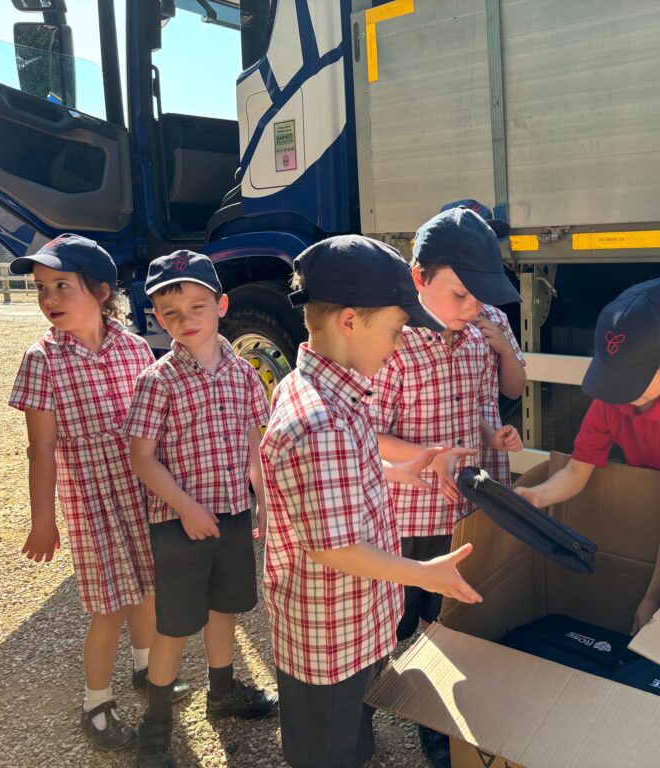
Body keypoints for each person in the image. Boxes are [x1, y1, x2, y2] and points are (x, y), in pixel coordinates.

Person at [260, 235, 483, 768]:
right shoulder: (321, 421)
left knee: (348, 735)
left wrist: (398, 470)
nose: (401, 341)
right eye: (396, 328)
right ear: (351, 321)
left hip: (346, 625)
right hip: (329, 637)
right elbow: (336, 548)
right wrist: (423, 573)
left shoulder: (324, 386)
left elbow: (335, 481)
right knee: (328, 750)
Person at [8, 234, 187, 751]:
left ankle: (146, 667)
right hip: (92, 499)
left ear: (103, 291)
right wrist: (45, 521)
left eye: (62, 285)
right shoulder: (41, 359)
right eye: (42, 288)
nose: (49, 299)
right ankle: (96, 702)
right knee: (108, 604)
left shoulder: (134, 348)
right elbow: (40, 449)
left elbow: (152, 427)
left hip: (140, 490)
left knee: (148, 587)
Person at [124, 252, 277, 768]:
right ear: (158, 318)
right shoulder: (158, 380)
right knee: (175, 624)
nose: (186, 320)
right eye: (171, 313)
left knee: (224, 607)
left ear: (221, 305)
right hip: (178, 521)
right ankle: (157, 726)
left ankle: (222, 692)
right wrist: (186, 508)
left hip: (232, 512)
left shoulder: (243, 372)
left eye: (197, 306)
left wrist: (263, 501)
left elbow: (255, 441)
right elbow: (142, 458)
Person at [516, 279, 660, 633]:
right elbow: (576, 472)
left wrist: (653, 599)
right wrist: (537, 495)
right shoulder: (612, 399)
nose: (616, 392)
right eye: (612, 376)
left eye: (629, 380)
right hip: (659, 503)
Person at [372, 207, 523, 645]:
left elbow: (476, 405)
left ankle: (429, 701)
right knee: (397, 615)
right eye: (460, 295)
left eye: (479, 296)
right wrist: (429, 455)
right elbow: (368, 434)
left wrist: (491, 434)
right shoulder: (392, 344)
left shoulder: (478, 338)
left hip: (465, 506)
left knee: (449, 613)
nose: (473, 307)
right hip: (409, 512)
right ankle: (378, 692)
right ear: (419, 279)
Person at [440, 200, 527, 486]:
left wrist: (503, 346)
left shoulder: (495, 318)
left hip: (489, 448)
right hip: (441, 449)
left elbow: (514, 390)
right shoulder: (432, 321)